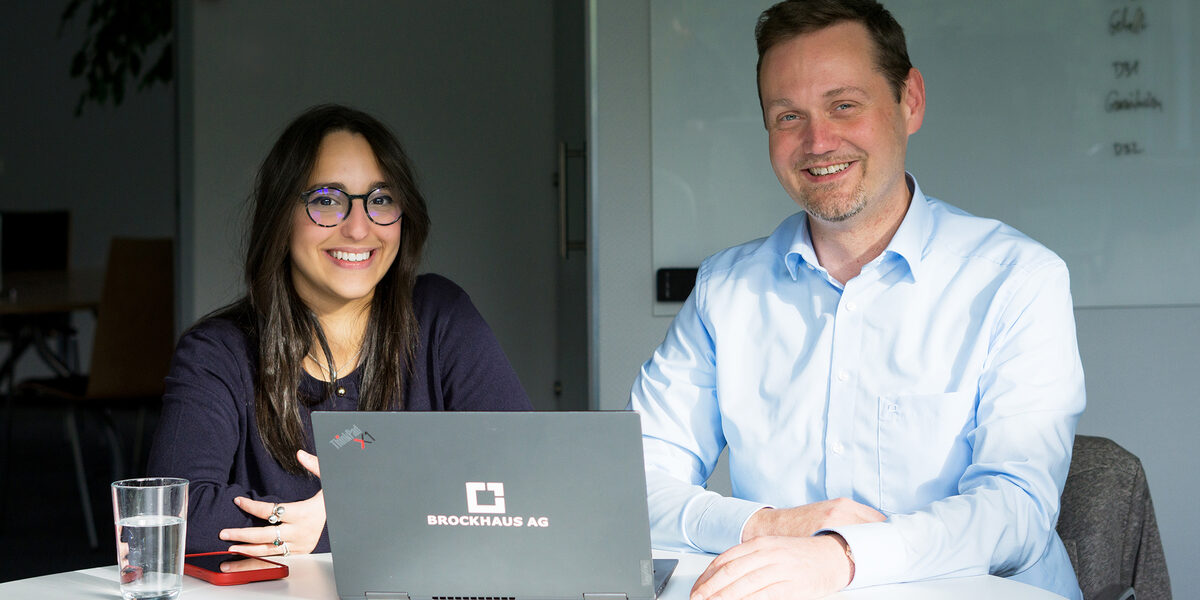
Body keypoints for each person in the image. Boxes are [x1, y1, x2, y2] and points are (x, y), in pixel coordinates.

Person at [627, 2, 1085, 599]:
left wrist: (841, 558)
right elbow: (634, 482)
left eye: (844, 105)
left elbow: (1016, 510)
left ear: (910, 101)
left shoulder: (1017, 279)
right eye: (788, 115)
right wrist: (763, 526)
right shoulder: (725, 291)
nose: (818, 141)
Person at [148, 104, 531, 557]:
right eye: (326, 200)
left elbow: (523, 479)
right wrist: (361, 519)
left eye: (381, 199)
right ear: (280, 216)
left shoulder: (442, 316)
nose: (358, 228)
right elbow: (168, 519)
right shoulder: (218, 352)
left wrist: (342, 519)